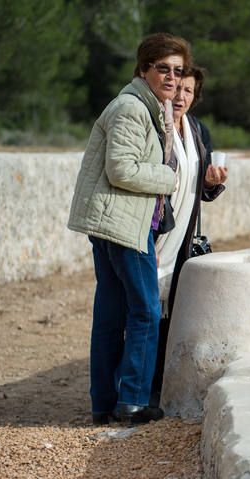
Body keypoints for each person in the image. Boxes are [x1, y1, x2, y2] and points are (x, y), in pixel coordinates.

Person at [68, 33, 192, 425]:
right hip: (122, 227)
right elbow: (121, 169)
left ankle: (103, 404)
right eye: (163, 70)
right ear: (143, 70)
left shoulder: (147, 106)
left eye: (178, 71)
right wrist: (167, 177)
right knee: (145, 311)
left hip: (116, 223)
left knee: (111, 315)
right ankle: (134, 400)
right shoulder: (131, 108)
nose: (172, 78)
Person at [150, 66, 228, 404]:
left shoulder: (198, 130)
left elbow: (201, 188)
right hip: (154, 233)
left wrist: (213, 182)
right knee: (144, 310)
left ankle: (156, 387)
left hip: (182, 236)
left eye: (189, 92)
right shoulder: (155, 124)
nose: (181, 97)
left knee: (171, 311)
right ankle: (132, 387)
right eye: (178, 88)